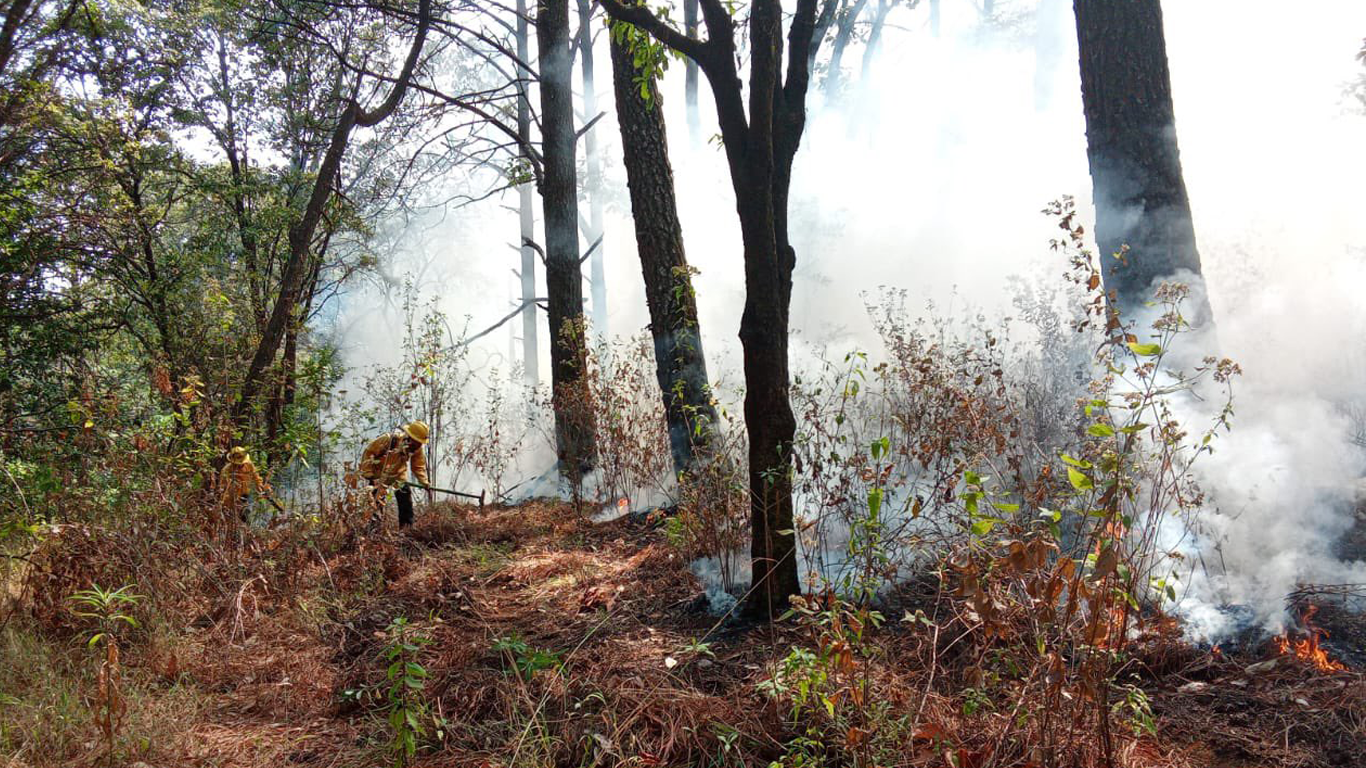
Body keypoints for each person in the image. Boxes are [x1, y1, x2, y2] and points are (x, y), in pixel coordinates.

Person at [359, 420, 431, 528]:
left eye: (421, 442)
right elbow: (369, 452)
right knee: (376, 505)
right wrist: (368, 473)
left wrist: (424, 482)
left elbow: (418, 466)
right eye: (417, 441)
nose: (419, 445)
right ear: (410, 437)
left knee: (405, 502)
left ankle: (406, 529)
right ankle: (374, 530)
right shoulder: (389, 439)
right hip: (379, 476)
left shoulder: (416, 448)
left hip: (398, 475)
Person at [218, 446, 271, 524]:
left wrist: (260, 487)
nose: (240, 465)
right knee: (232, 518)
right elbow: (222, 488)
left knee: (245, 515)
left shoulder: (249, 465)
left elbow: (256, 477)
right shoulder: (226, 470)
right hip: (232, 498)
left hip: (245, 494)